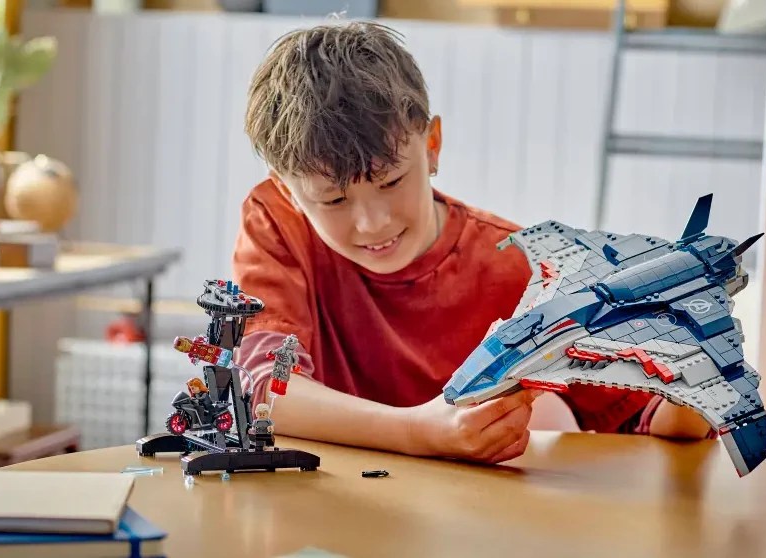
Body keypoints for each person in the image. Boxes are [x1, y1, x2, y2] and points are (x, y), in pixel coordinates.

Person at [233, 21, 712, 465]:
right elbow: (267, 391)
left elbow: (648, 416)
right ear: (286, 188)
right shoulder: (277, 221)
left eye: (392, 181)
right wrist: (420, 433)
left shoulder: (524, 266)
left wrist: (694, 380)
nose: (371, 223)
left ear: (432, 144)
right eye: (334, 200)